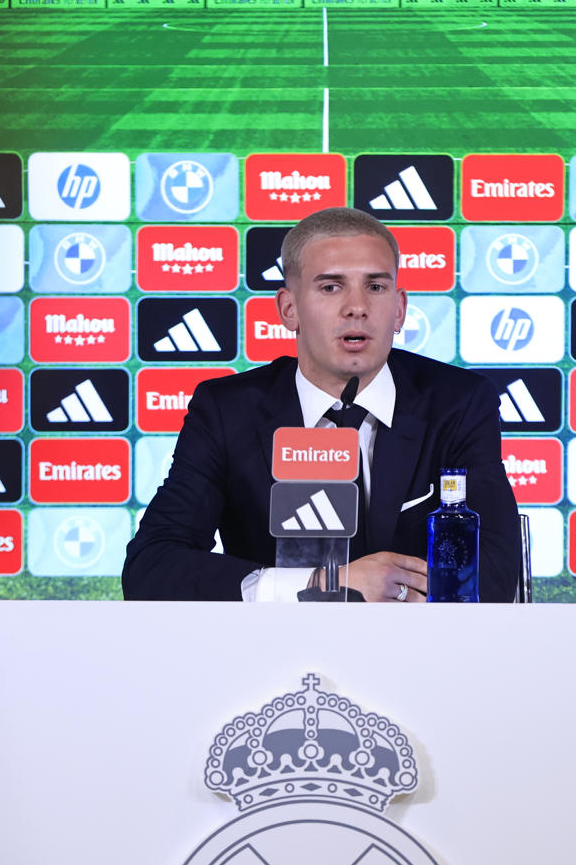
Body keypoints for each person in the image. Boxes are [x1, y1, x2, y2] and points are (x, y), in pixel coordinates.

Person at [123, 207, 520, 602]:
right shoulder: (227, 410)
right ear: (288, 309)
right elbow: (152, 566)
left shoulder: (460, 402)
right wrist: (320, 583)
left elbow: (498, 570)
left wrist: (405, 595)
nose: (357, 307)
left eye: (376, 287)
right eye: (331, 287)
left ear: (399, 309)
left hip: (413, 652)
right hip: (270, 652)